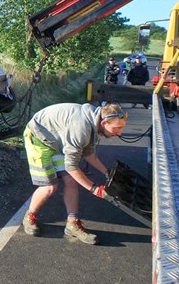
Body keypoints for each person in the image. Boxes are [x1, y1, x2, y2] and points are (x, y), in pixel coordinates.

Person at [22, 102, 127, 245]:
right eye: (117, 128)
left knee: (71, 181)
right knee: (50, 187)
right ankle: (29, 216)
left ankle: (72, 223)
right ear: (104, 122)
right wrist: (95, 189)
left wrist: (107, 172)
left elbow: (88, 154)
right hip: (39, 139)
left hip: (55, 140)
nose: (119, 133)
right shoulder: (81, 128)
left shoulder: (93, 124)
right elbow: (71, 166)